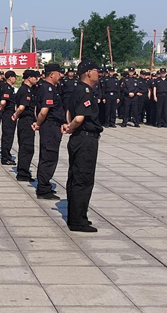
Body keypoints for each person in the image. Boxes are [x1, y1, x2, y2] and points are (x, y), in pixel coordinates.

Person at [62, 59, 103, 233]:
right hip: (85, 139)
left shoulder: (76, 89)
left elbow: (69, 112)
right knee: (83, 179)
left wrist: (68, 125)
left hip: (79, 138)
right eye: (96, 71)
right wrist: (71, 127)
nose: (98, 74)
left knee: (75, 177)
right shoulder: (85, 91)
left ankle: (75, 217)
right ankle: (78, 221)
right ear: (88, 73)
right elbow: (79, 117)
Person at [33, 63, 65, 200]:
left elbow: (37, 108)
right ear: (52, 74)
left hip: (50, 126)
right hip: (50, 127)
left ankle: (44, 185)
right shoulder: (48, 89)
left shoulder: (44, 87)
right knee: (49, 157)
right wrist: (38, 123)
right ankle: (43, 188)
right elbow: (43, 111)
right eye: (58, 73)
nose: (60, 76)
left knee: (47, 156)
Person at [11, 69, 39, 180]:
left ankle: (23, 170)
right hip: (26, 120)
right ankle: (23, 173)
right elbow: (22, 107)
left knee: (25, 146)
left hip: (25, 120)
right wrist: (16, 115)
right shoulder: (26, 90)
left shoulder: (24, 89)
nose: (36, 79)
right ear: (29, 78)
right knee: (27, 147)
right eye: (35, 77)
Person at [0, 70, 17, 165]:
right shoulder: (7, 88)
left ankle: (7, 155)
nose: (15, 79)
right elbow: (3, 101)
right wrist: (2, 107)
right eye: (14, 77)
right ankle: (5, 157)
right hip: (8, 113)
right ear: (10, 77)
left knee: (9, 136)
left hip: (9, 113)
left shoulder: (9, 87)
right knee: (8, 135)